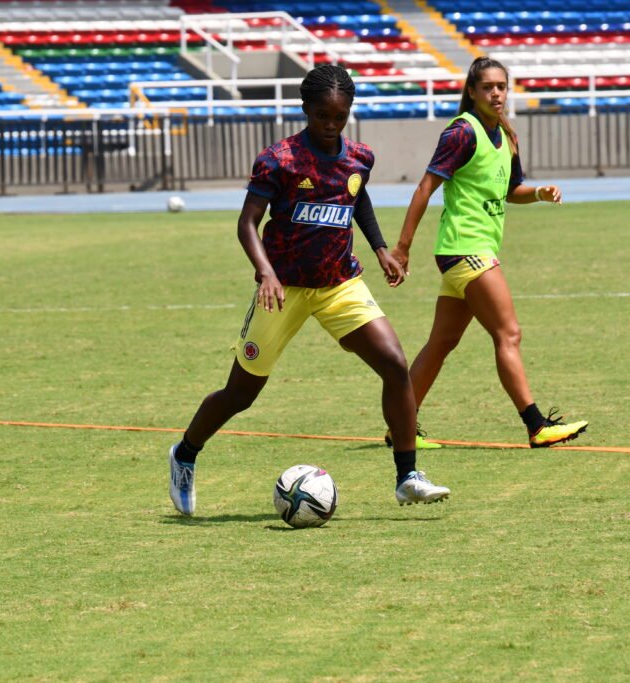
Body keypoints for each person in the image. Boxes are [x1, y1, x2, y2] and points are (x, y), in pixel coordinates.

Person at [167, 64, 450, 517]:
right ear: (305, 109)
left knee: (395, 364)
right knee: (241, 394)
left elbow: (356, 198)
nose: (331, 125)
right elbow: (247, 223)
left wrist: (381, 248)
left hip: (339, 283)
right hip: (283, 289)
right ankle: (185, 453)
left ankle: (407, 477)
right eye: (322, 116)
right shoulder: (279, 159)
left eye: (340, 117)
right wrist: (265, 273)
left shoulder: (360, 157)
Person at [389, 56, 588, 449]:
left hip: (463, 251)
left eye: (501, 86)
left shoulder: (507, 136)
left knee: (441, 343)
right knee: (508, 333)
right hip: (466, 248)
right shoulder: (462, 132)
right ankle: (536, 426)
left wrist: (539, 192)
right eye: (487, 87)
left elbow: (511, 191)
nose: (496, 94)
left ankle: (400, 427)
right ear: (472, 91)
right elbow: (425, 187)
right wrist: (403, 246)